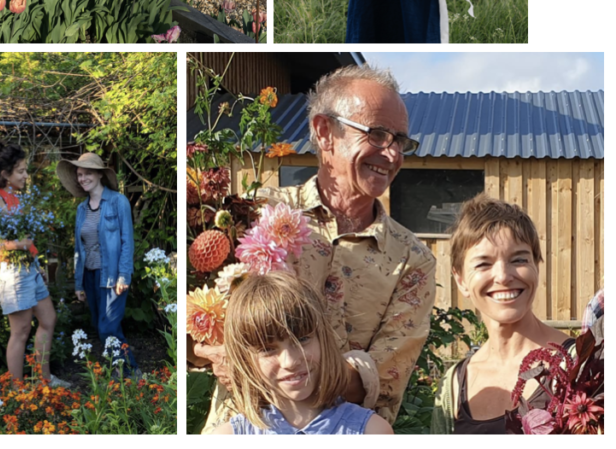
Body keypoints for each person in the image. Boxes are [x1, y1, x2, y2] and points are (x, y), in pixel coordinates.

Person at [193, 65, 436, 430]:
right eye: (379, 134)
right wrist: (208, 351)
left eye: (400, 141)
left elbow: (384, 379)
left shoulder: (411, 259)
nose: (392, 154)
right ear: (325, 132)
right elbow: (189, 319)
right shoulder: (253, 214)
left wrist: (270, 365)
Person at [431, 195, 575, 434]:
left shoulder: (581, 363)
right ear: (461, 280)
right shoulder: (454, 384)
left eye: (518, 259)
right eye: (483, 264)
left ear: (536, 268)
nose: (503, 276)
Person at [212, 273, 393, 435]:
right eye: (267, 349)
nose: (289, 362)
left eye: (302, 340)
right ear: (244, 359)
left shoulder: (372, 432)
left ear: (323, 338)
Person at [0, 141, 70, 387]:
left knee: (48, 319)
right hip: (13, 273)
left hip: (29, 269)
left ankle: (44, 379)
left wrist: (35, 259)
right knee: (20, 332)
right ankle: (16, 390)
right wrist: (17, 245)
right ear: (5, 175)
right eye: (20, 171)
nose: (25, 175)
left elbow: (25, 238)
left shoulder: (15, 198)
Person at [59, 152, 137, 370]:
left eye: (87, 173)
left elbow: (126, 241)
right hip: (90, 277)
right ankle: (119, 372)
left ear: (100, 175)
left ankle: (130, 372)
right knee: (100, 325)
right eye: (79, 174)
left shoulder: (118, 202)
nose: (82, 178)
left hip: (112, 276)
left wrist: (124, 275)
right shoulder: (81, 209)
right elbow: (78, 248)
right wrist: (78, 284)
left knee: (108, 327)